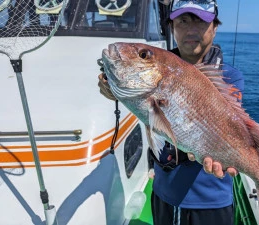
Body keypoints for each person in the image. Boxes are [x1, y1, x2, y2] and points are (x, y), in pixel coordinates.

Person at [98, 0, 244, 224]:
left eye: (201, 22)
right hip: (164, 192)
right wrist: (115, 91)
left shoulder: (229, 78)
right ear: (172, 27)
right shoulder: (159, 67)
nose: (191, 29)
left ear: (215, 27)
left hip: (211, 200)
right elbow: (146, 104)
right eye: (183, 21)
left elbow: (222, 127)